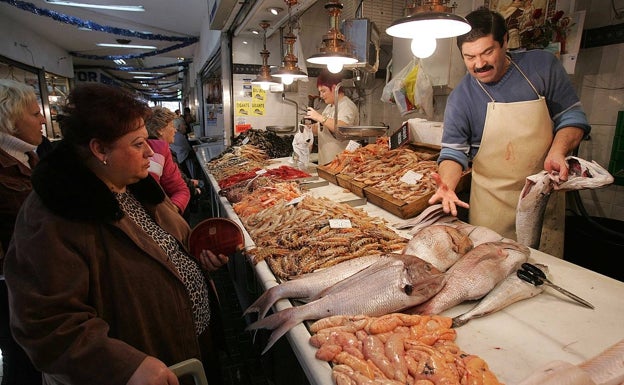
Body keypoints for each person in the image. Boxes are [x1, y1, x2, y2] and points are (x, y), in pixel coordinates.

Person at [3, 83, 228, 385]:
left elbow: (173, 241)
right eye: (137, 144)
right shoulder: (55, 213)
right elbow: (46, 322)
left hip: (189, 349)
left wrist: (199, 252)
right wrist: (125, 366)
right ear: (100, 149)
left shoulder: (135, 183)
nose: (150, 151)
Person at [428, 8, 590, 257]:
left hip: (543, 200)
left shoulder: (541, 67)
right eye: (469, 57)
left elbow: (572, 117)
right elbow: (453, 152)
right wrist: (447, 184)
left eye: (487, 52)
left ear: (505, 42)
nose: (479, 64)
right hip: (491, 210)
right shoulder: (461, 98)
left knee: (543, 276)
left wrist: (558, 151)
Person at [0, 79, 45, 385]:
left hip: (38, 279)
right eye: (34, 113)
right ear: (10, 120)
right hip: (11, 289)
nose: (43, 118)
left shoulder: (29, 157)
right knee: (22, 365)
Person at [145, 106, 201, 220]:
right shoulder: (155, 153)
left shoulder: (163, 151)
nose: (175, 130)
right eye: (171, 126)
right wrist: (168, 217)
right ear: (160, 130)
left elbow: (178, 183)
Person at [305, 70, 359, 165]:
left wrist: (319, 117)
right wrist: (308, 129)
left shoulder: (346, 106)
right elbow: (322, 129)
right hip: (326, 163)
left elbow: (342, 128)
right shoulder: (330, 106)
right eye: (320, 92)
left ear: (334, 88)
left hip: (341, 165)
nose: (321, 96)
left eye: (323, 91)